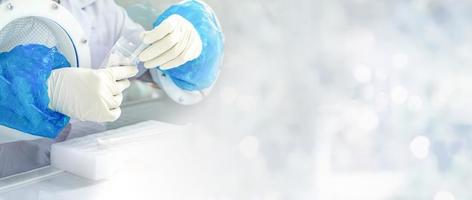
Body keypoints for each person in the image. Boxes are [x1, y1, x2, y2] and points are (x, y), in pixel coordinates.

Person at [0, 0, 214, 177]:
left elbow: (168, 73)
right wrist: (46, 88)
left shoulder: (102, 13)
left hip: (82, 180)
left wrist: (193, 42)